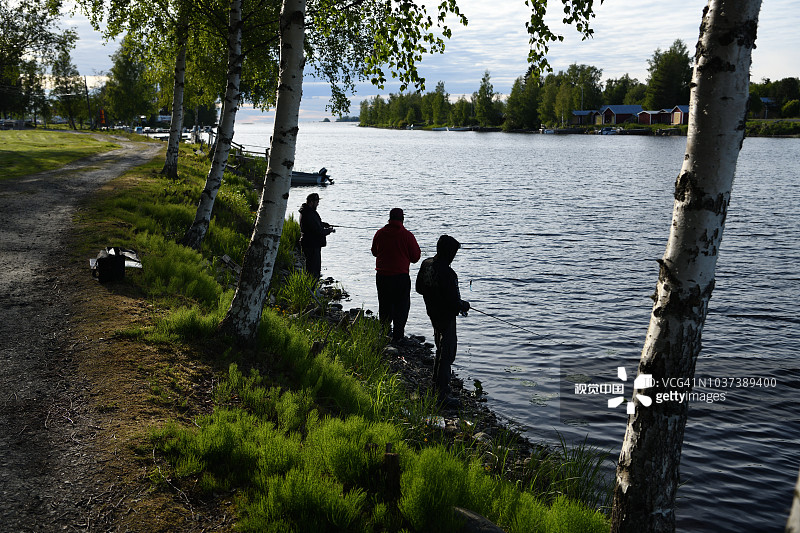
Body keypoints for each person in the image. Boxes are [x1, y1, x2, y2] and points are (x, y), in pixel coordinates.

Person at [415, 234, 470, 407]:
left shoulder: (426, 264)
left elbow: (418, 288)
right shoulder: (448, 273)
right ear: (449, 253)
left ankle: (435, 384)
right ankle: (442, 395)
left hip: (432, 312)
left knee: (440, 348)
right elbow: (454, 304)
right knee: (447, 352)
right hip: (446, 317)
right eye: (454, 253)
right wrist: (463, 305)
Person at [371, 208, 421, 343]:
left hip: (382, 275)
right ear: (402, 219)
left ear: (389, 218)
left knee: (384, 304)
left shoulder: (380, 233)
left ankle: (385, 331)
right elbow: (415, 257)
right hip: (400, 276)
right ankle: (398, 335)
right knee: (402, 306)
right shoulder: (407, 236)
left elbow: (374, 252)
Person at [298, 192, 333, 281]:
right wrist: (328, 231)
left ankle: (312, 287)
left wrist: (323, 224)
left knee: (313, 268)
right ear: (311, 202)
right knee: (313, 270)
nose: (318, 204)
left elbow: (314, 225)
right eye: (317, 202)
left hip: (312, 244)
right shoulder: (308, 213)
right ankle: (311, 288)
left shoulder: (308, 212)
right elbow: (317, 231)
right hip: (311, 245)